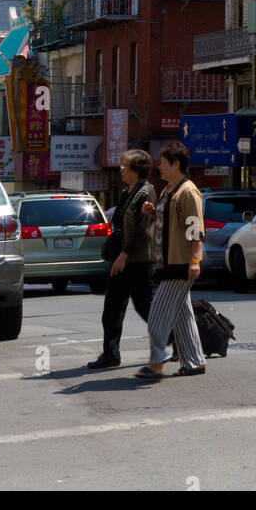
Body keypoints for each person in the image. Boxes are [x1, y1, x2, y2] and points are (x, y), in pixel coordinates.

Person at [135, 141, 206, 380]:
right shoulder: (169, 190)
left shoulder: (188, 191)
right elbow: (170, 226)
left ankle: (157, 359)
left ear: (176, 164)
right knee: (182, 316)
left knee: (158, 313)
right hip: (167, 261)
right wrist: (152, 212)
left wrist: (195, 260)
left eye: (163, 163)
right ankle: (194, 361)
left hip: (180, 263)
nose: (159, 167)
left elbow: (194, 228)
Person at [87, 149, 156, 370]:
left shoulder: (146, 192)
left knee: (145, 307)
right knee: (112, 308)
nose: (121, 169)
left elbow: (142, 230)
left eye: (125, 165)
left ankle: (177, 340)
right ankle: (110, 354)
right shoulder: (128, 191)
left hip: (138, 260)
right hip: (122, 260)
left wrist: (124, 255)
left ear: (137, 169)